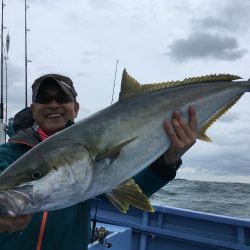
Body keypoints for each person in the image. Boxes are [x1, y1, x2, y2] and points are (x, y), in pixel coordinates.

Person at [0, 73, 197, 250]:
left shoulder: (92, 146)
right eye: (44, 99)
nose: (53, 104)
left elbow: (134, 188)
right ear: (33, 109)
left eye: (62, 98)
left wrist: (168, 160)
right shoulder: (7, 154)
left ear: (75, 109)